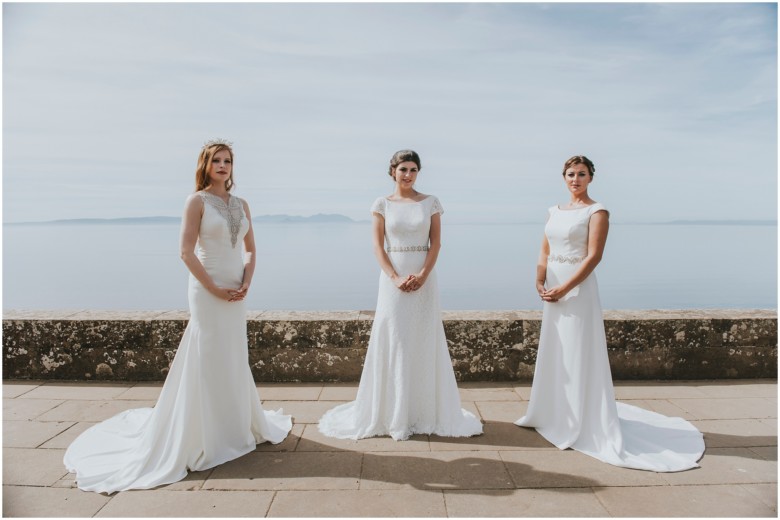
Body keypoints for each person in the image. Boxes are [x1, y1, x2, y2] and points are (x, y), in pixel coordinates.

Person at [64, 139, 292, 493]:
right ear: (205, 165)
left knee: (233, 354)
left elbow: (250, 250)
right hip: (207, 289)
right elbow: (186, 252)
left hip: (237, 289)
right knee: (208, 353)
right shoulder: (196, 201)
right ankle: (203, 432)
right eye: (216, 160)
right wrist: (215, 288)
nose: (223, 165)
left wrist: (247, 281)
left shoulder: (243, 203)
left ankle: (236, 425)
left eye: (228, 160)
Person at [515, 155, 704, 471]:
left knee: (577, 349)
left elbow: (593, 257)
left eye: (582, 174)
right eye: (571, 174)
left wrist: (566, 288)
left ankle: (580, 419)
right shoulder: (553, 211)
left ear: (591, 178)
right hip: (552, 286)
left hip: (577, 288)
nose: (576, 179)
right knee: (557, 350)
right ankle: (553, 412)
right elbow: (545, 248)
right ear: (564, 177)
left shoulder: (597, 211)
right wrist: (539, 277)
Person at [318, 150, 483, 441]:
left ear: (418, 173)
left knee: (423, 338)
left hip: (423, 278)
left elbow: (436, 244)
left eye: (413, 170)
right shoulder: (381, 204)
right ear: (392, 171)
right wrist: (394, 278)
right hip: (392, 279)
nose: (408, 174)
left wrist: (422, 275)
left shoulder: (431, 203)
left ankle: (423, 410)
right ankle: (391, 412)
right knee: (394, 337)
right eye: (403, 169)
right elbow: (378, 247)